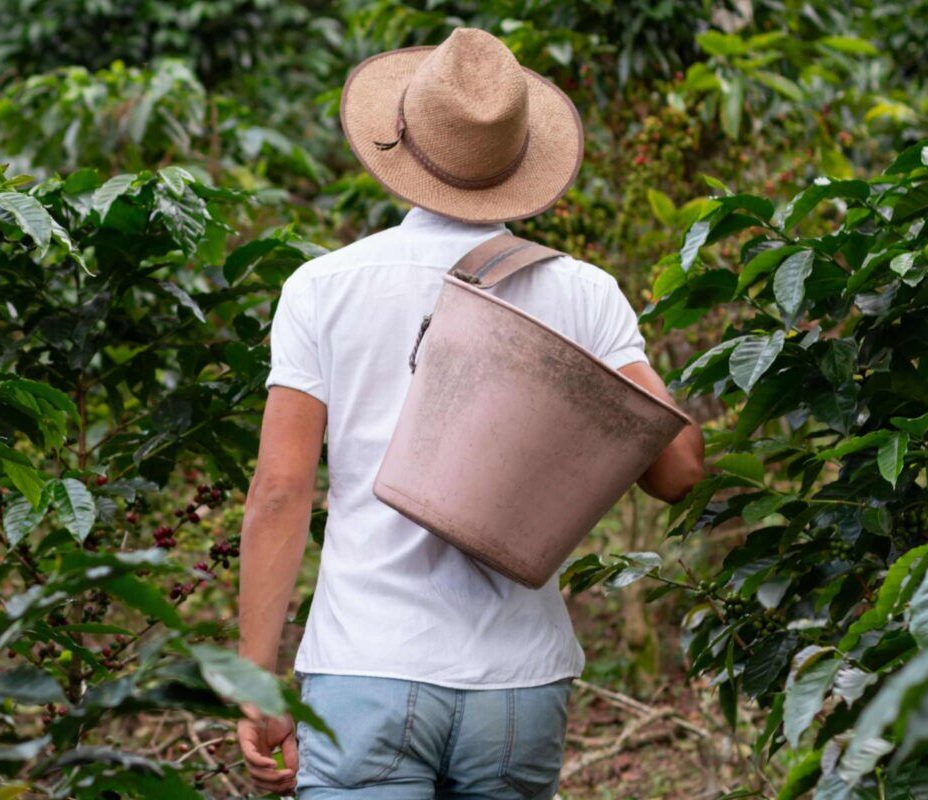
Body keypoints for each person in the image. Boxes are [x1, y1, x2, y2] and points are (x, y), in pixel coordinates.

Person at [233, 28, 707, 799]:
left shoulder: (323, 288)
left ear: (400, 143)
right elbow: (680, 472)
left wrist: (256, 678)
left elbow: (281, 491)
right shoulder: (583, 292)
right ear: (520, 163)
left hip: (367, 664)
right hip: (517, 685)